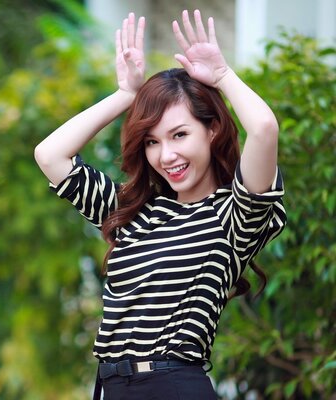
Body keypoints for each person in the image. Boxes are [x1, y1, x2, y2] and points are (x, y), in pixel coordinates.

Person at [34, 9, 286, 400]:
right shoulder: (132, 211)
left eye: (179, 134)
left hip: (173, 385)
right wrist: (125, 95)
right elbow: (50, 155)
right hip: (111, 385)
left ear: (212, 130)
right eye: (152, 141)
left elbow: (264, 129)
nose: (166, 155)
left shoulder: (233, 215)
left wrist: (222, 75)